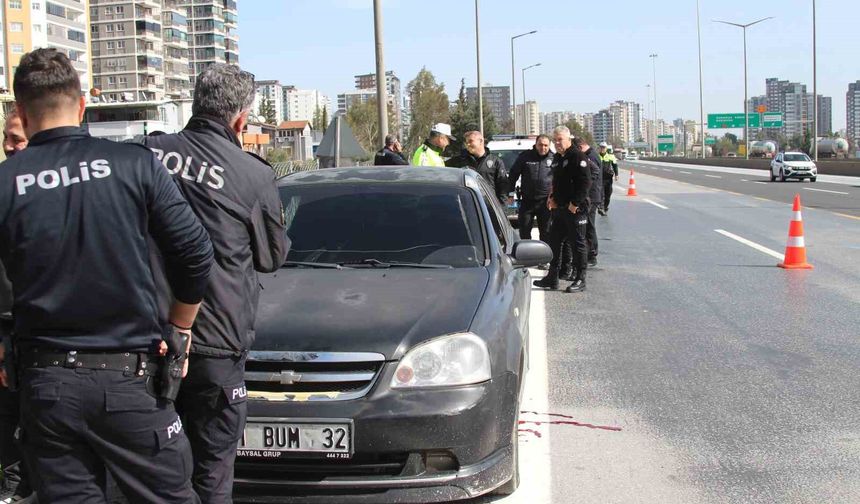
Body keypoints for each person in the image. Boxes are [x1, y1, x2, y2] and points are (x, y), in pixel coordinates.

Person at [0, 48, 213, 503]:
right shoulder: (133, 165)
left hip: (47, 387)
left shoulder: (5, 183)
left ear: (20, 110)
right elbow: (195, 253)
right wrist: (180, 328)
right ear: (80, 106)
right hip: (130, 381)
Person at [141, 63, 290, 503]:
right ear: (241, 119)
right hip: (215, 346)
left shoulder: (146, 153)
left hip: (145, 340)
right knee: (212, 471)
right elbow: (271, 257)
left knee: (151, 472)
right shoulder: (252, 174)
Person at [0, 108, 35, 504]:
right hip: (7, 324)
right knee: (8, 414)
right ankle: (15, 482)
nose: (10, 146)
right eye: (7, 138)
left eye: (17, 139)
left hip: (47, 327)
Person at [533, 126, 591, 293]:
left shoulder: (577, 156)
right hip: (559, 208)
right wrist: (552, 198)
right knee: (554, 242)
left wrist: (575, 203)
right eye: (555, 140)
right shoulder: (558, 157)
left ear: (568, 139)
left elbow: (585, 183)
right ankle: (552, 277)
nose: (557, 143)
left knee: (577, 244)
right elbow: (557, 182)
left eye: (560, 140)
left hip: (575, 209)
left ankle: (581, 278)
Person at [508, 134, 554, 243]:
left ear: (549, 145)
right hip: (527, 201)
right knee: (524, 231)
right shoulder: (525, 156)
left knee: (546, 232)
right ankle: (527, 256)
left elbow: (560, 180)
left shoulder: (554, 158)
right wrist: (510, 193)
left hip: (546, 202)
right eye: (540, 145)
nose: (543, 148)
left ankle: (544, 257)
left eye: (546, 145)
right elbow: (513, 174)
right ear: (536, 144)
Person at [445, 130, 508, 203]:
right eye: (466, 142)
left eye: (470, 141)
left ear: (481, 141)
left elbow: (503, 187)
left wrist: (502, 208)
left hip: (488, 206)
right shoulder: (458, 161)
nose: (467, 144)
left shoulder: (495, 162)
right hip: (466, 205)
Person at [581, 139, 603, 267]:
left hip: (592, 197)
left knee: (589, 226)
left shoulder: (591, 157)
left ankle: (592, 254)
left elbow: (593, 174)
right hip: (592, 196)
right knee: (587, 226)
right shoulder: (592, 154)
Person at [598, 143, 618, 215]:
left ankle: (605, 207)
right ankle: (601, 208)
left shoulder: (611, 156)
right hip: (600, 179)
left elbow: (615, 166)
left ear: (606, 148)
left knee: (608, 195)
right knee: (601, 194)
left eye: (604, 147)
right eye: (601, 147)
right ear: (599, 148)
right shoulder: (597, 156)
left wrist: (616, 175)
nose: (602, 149)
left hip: (608, 179)